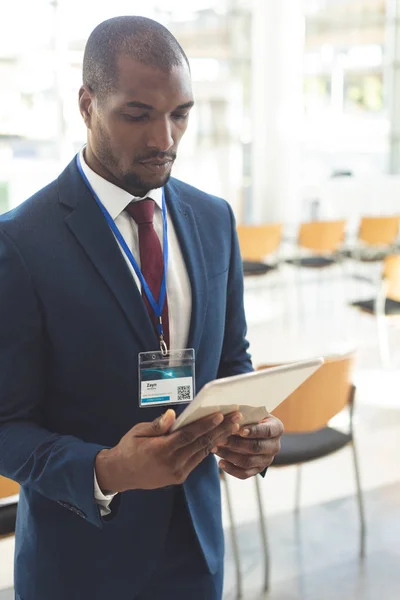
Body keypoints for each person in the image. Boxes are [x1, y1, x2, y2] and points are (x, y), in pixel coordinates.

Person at [0, 16, 283, 600]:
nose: (165, 140)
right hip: (80, 567)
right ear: (87, 103)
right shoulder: (20, 243)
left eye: (180, 114)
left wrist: (255, 433)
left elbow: (231, 360)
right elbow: (6, 426)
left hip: (196, 552)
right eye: (138, 115)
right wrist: (107, 470)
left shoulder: (213, 219)